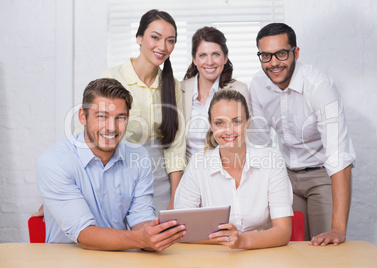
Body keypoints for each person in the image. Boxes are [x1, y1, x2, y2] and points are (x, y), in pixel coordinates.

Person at [36, 78, 186, 250]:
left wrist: (154, 235)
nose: (111, 127)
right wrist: (141, 239)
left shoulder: (138, 157)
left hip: (118, 259)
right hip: (67, 260)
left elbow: (141, 217)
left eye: (120, 118)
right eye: (102, 117)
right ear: (82, 117)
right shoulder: (55, 161)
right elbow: (83, 234)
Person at [248, 23, 356, 246]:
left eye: (281, 53)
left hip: (322, 176)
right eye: (266, 56)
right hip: (284, 175)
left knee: (326, 248)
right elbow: (260, 146)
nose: (274, 63)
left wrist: (337, 229)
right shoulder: (257, 86)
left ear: (295, 52)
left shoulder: (319, 87)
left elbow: (339, 156)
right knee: (287, 247)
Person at [174, 89, 293, 250]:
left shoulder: (272, 161)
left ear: (248, 122)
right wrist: (229, 239)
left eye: (236, 121)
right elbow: (182, 230)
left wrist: (241, 241)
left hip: (261, 254)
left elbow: (283, 231)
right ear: (210, 125)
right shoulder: (197, 165)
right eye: (219, 123)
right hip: (214, 258)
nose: (228, 130)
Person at [100, 9, 186, 212]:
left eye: (170, 40)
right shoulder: (112, 78)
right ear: (139, 37)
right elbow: (86, 136)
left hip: (159, 179)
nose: (163, 47)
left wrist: (176, 198)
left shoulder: (172, 85)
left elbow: (175, 145)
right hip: (116, 174)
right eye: (155, 37)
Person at [181, 26, 249, 160]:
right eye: (203, 55)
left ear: (225, 57)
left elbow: (244, 140)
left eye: (216, 54)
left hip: (225, 169)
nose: (210, 62)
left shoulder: (239, 90)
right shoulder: (180, 89)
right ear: (194, 60)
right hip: (187, 172)